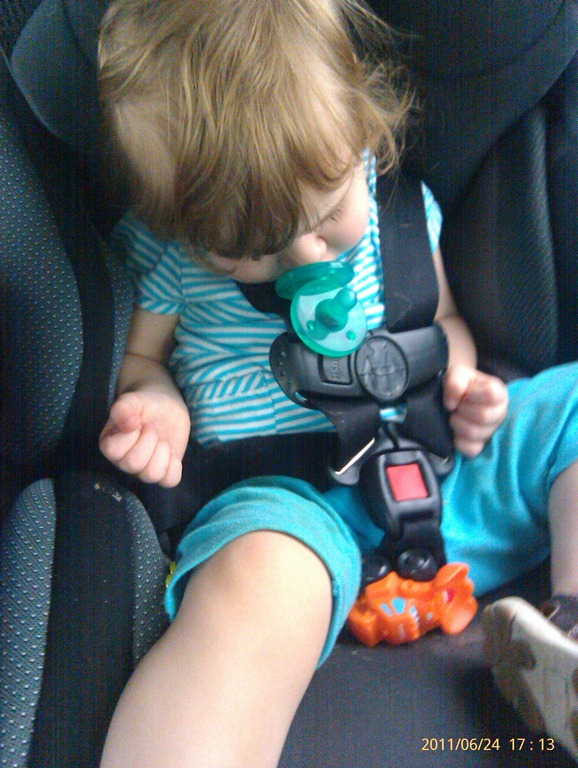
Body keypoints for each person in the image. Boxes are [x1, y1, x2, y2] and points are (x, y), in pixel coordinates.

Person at [97, 0, 578, 765]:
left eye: (326, 218)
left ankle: (568, 636)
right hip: (290, 509)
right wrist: (156, 407)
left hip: (443, 472)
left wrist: (462, 382)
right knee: (254, 583)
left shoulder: (402, 212)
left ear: (361, 133)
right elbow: (141, 362)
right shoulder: (170, 260)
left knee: (571, 407)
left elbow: (443, 322)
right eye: (252, 248)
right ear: (179, 222)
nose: (304, 258)